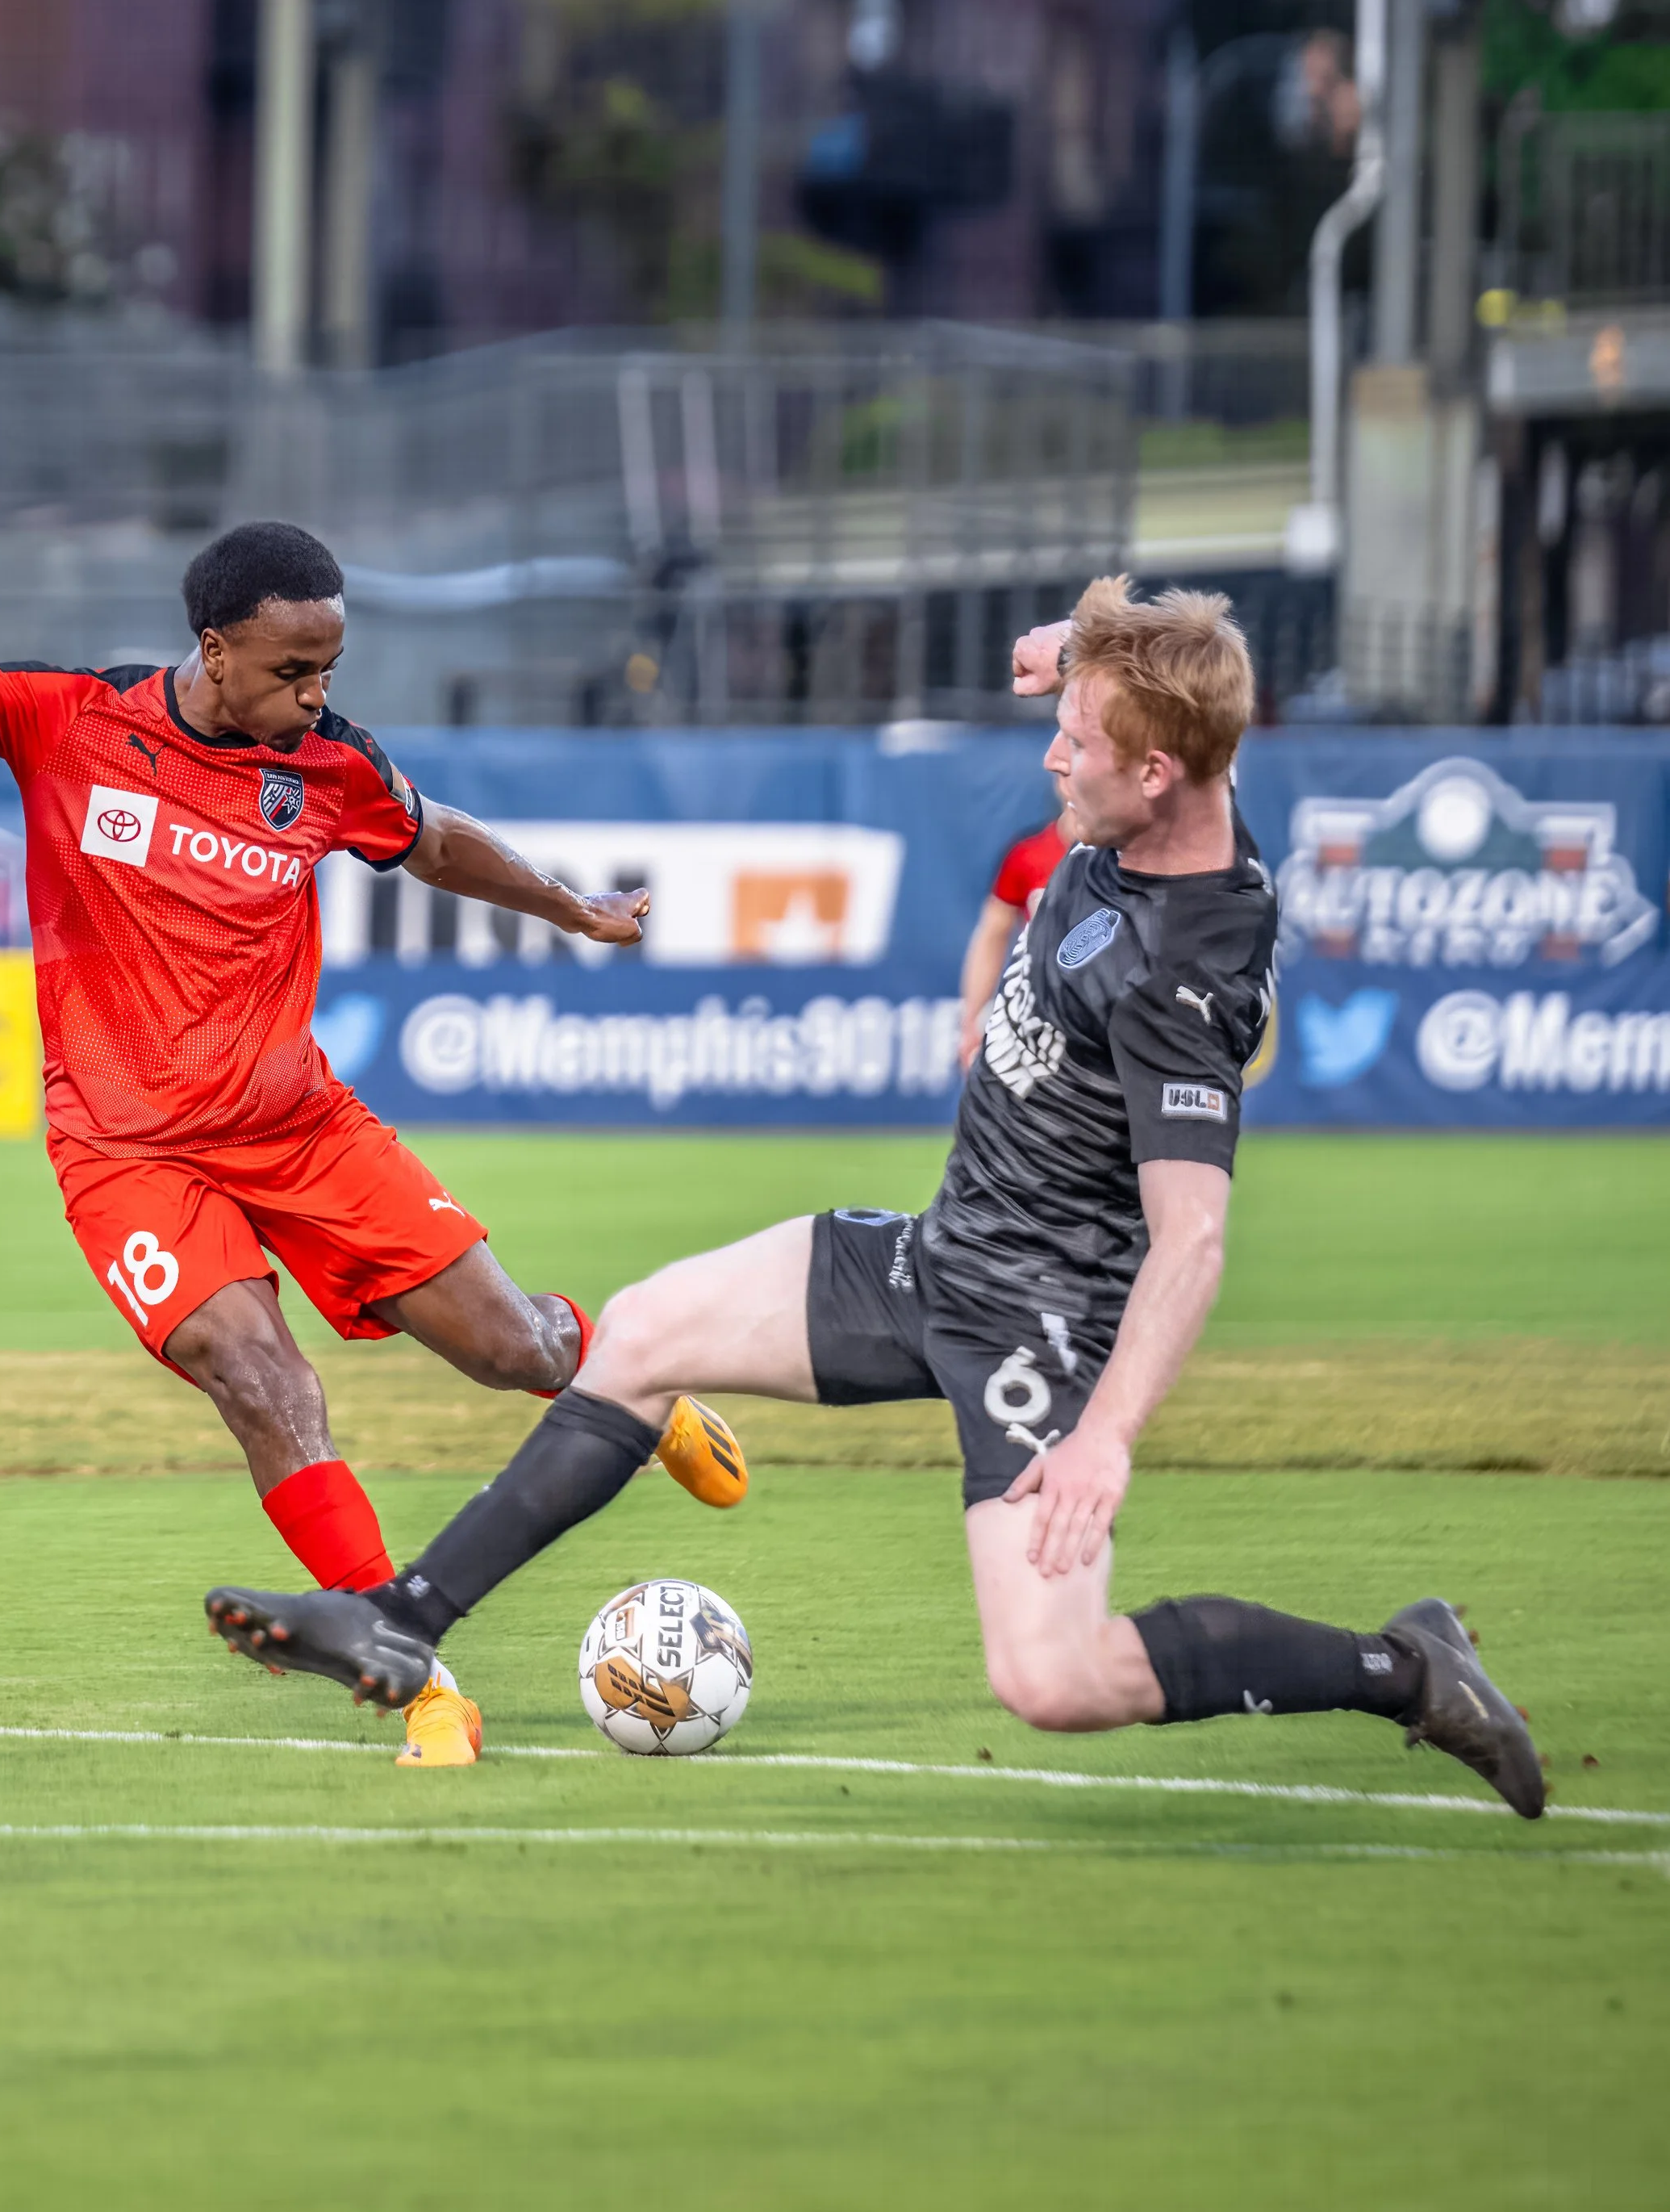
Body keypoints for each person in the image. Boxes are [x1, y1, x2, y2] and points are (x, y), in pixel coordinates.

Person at [207, 576, 1544, 1821]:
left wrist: (1109, 1439)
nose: (1048, 757)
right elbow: (1190, 680)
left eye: (1077, 741)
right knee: (641, 1335)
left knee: (1055, 1682)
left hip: (1036, 1329)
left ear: (1156, 771)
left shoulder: (1185, 976)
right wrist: (1078, 648)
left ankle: (1406, 1669)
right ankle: (403, 1620)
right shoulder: (1175, 764)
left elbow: (1192, 1241)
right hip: (936, 1256)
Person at [0, 508, 748, 1768]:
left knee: (512, 1348)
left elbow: (439, 840)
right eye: (292, 671)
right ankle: (417, 1676)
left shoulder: (330, 766)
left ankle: (629, 1376)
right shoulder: (71, 721)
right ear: (214, 648)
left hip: (298, 1126)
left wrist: (572, 909)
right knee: (267, 1384)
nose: (315, 695)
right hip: (128, 1153)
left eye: (328, 670)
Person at [956, 807, 1071, 1071]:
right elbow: (993, 933)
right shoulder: (1030, 854)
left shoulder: (1126, 856)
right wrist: (971, 1020)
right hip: (1041, 1024)